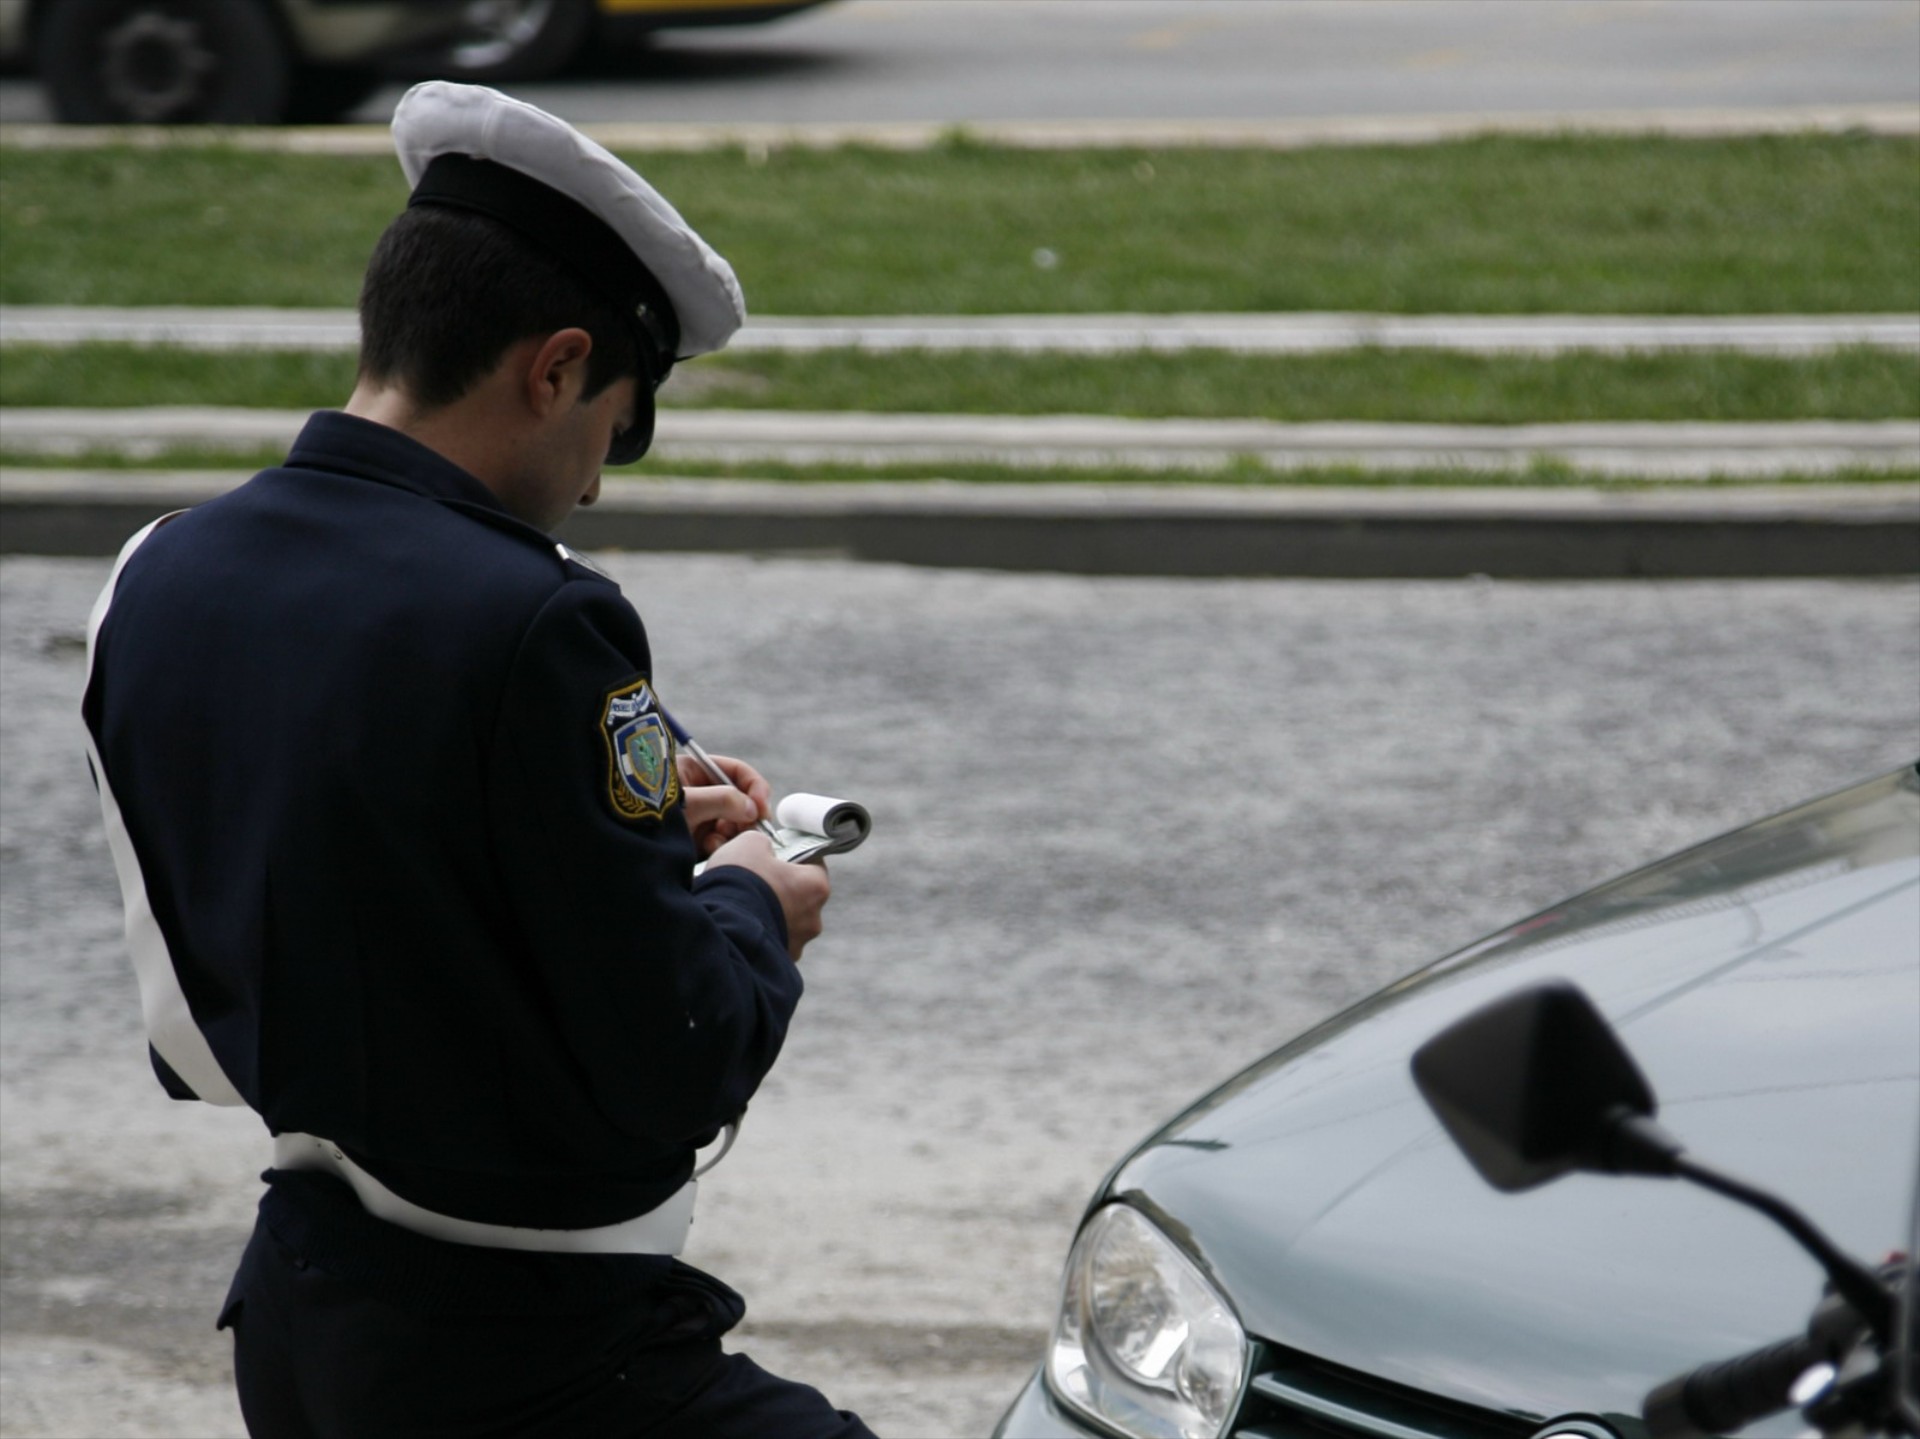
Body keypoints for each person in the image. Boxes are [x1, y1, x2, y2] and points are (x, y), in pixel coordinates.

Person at [81, 81, 874, 1439]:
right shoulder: (542, 613)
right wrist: (751, 894)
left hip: (304, 1319)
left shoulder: (159, 568)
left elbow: (226, 987)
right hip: (534, 1354)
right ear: (555, 367)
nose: (596, 482)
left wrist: (606, 830)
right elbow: (675, 1053)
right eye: (613, 425)